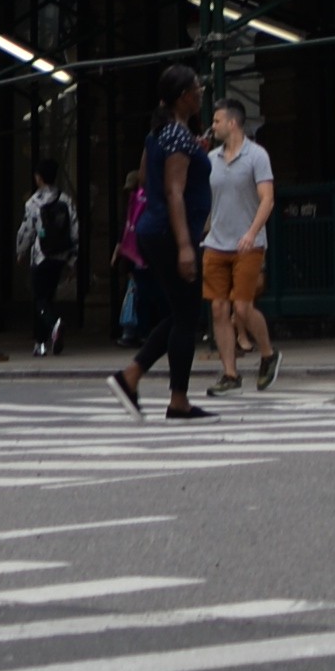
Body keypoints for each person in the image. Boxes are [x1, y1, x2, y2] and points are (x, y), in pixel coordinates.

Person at [113, 74, 211, 422]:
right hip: (171, 234)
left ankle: (134, 377)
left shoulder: (160, 134)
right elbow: (173, 192)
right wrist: (186, 246)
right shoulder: (176, 136)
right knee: (187, 315)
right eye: (197, 90)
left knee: (181, 312)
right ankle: (174, 398)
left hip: (154, 231)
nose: (201, 94)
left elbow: (143, 177)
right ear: (184, 96)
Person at [201, 101, 277, 385]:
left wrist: (251, 232)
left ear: (233, 123)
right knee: (218, 309)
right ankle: (230, 374)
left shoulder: (257, 156)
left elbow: (267, 198)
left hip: (248, 243)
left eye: (217, 120)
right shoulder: (210, 159)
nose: (213, 126)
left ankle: (268, 353)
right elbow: (208, 200)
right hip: (216, 242)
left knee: (242, 307)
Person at [16, 171, 80, 359]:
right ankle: (41, 343)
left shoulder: (33, 202)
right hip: (59, 257)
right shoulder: (66, 200)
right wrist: (72, 259)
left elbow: (27, 229)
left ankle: (52, 327)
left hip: (41, 256)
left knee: (39, 299)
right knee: (47, 298)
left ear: (39, 178)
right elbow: (75, 229)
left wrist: (20, 251)